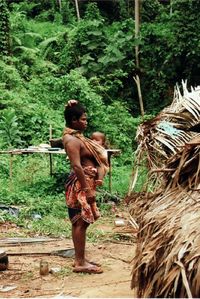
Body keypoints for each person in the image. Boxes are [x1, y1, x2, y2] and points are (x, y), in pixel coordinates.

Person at [62, 102, 109, 274]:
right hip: (80, 185)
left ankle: (79, 259)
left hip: (83, 183)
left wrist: (72, 103)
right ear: (74, 120)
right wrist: (87, 189)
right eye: (83, 119)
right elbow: (76, 166)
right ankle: (80, 262)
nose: (86, 122)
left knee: (81, 223)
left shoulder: (75, 136)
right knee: (80, 222)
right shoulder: (73, 140)